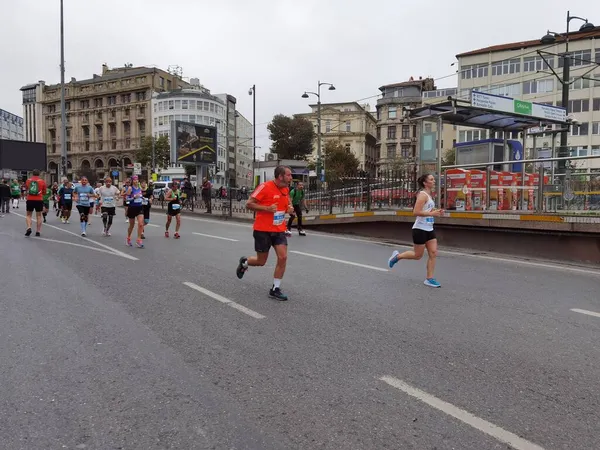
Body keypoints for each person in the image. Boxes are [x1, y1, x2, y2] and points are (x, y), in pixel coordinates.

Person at [236, 165, 294, 301]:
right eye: (289, 175)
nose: (291, 177)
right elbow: (249, 204)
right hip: (262, 230)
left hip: (279, 229)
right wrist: (267, 208)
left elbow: (287, 204)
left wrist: (289, 208)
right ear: (280, 176)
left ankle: (275, 289)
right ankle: (244, 261)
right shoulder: (265, 187)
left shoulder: (286, 189)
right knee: (261, 261)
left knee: (283, 257)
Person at [388, 173, 444, 288]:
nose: (434, 181)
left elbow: (427, 209)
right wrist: (431, 213)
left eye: (434, 179)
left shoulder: (429, 194)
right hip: (420, 229)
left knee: (433, 253)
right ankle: (397, 257)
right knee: (418, 255)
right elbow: (415, 212)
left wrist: (436, 211)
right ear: (425, 182)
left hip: (429, 228)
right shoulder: (422, 195)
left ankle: (429, 279)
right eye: (432, 179)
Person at [24, 169, 48, 237]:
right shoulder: (42, 181)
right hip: (39, 200)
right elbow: (44, 192)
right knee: (39, 216)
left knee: (28, 215)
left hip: (30, 199)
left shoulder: (28, 181)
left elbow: (26, 189)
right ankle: (38, 231)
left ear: (32, 174)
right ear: (39, 174)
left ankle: (29, 227)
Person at [124, 175, 145, 248]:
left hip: (139, 207)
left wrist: (144, 199)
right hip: (132, 208)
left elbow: (140, 196)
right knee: (132, 225)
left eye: (137, 179)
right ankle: (128, 238)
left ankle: (139, 240)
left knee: (141, 224)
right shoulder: (130, 188)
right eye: (135, 180)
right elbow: (126, 199)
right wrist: (133, 197)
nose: (136, 181)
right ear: (132, 181)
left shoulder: (139, 188)